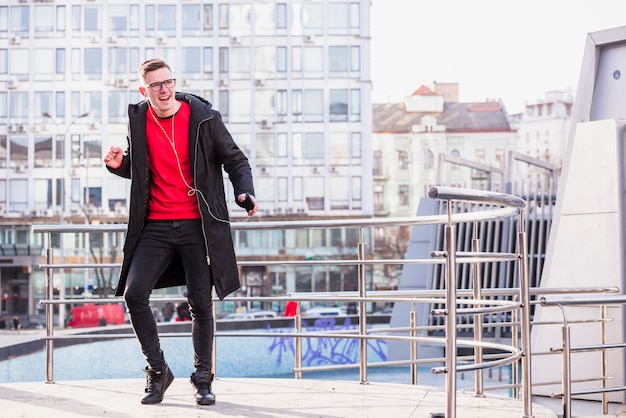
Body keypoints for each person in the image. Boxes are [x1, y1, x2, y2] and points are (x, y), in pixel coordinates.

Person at [103, 58, 258, 406]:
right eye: (155, 85)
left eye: (168, 82)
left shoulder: (204, 118)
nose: (163, 89)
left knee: (201, 303)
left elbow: (236, 160)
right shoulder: (138, 120)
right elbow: (142, 169)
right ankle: (159, 372)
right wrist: (119, 166)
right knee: (134, 294)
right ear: (144, 90)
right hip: (154, 226)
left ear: (175, 83)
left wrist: (243, 191)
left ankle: (203, 379)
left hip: (197, 226)